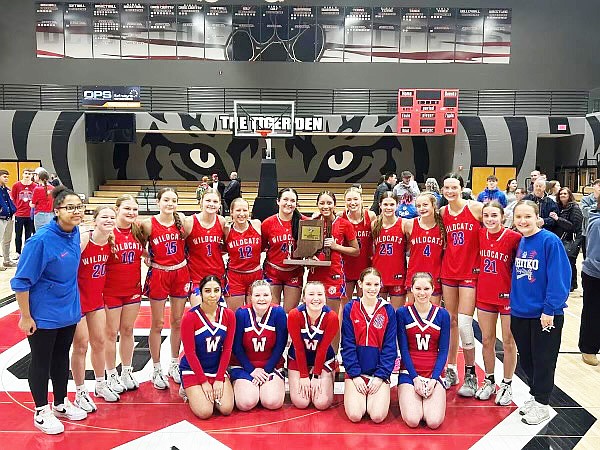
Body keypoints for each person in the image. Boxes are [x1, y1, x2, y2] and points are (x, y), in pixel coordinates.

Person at [11, 186, 88, 434]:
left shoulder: (74, 232)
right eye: (70, 207)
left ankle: (60, 403)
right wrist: (25, 316)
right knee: (41, 360)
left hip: (68, 309)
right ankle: (41, 411)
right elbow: (21, 281)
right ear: (56, 211)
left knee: (60, 356)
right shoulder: (41, 241)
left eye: (79, 207)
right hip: (43, 313)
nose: (76, 212)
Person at [511, 200, 570, 425]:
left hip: (544, 314)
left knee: (544, 360)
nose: (523, 221)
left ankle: (543, 404)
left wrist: (550, 309)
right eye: (519, 217)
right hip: (520, 312)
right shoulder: (521, 242)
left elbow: (559, 278)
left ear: (538, 217)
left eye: (527, 216)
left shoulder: (549, 241)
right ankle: (536, 398)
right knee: (527, 360)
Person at [140, 187, 191, 390]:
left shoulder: (183, 223)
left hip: (180, 272)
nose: (170, 204)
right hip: (159, 273)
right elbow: (137, 244)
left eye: (173, 200)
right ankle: (156, 368)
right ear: (158, 202)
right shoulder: (148, 224)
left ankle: (174, 363)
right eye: (166, 200)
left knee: (178, 321)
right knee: (158, 323)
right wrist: (146, 256)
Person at [72, 206, 119, 412]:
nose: (109, 220)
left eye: (112, 217)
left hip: (96, 300)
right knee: (81, 346)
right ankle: (80, 392)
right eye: (104, 217)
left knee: (99, 342)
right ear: (95, 220)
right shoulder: (83, 240)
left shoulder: (111, 242)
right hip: (77, 301)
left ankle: (100, 384)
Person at [440, 173, 483, 395]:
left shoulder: (475, 208)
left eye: (454, 187)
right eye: (446, 187)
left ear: (461, 188)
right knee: (452, 321)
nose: (450, 191)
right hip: (448, 271)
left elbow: (495, 226)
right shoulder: (442, 213)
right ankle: (450, 369)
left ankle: (470, 373)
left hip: (470, 272)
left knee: (466, 323)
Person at [474, 202, 521, 405]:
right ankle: (489, 380)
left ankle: (508, 383)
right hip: (485, 295)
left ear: (503, 217)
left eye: (494, 215)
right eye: (486, 216)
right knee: (487, 340)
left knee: (509, 342)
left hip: (509, 297)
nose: (490, 219)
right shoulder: (479, 234)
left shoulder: (514, 237)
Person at [341, 267, 396, 423]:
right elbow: (347, 344)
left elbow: (390, 348)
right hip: (356, 373)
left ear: (381, 285)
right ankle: (356, 386)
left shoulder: (388, 310)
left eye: (376, 285)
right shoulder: (350, 308)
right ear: (360, 284)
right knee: (355, 415)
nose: (372, 289)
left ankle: (378, 386)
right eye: (368, 284)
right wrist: (355, 375)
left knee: (377, 416)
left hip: (378, 373)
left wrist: (380, 376)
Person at [396, 272, 450, 429]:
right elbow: (404, 350)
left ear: (433, 289)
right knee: (413, 420)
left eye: (426, 288)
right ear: (411, 289)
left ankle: (433, 390)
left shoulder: (442, 314)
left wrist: (434, 379)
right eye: (418, 288)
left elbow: (444, 350)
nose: (422, 292)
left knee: (433, 422)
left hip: (434, 373)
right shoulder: (402, 313)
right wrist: (415, 378)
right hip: (409, 373)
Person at [308, 191, 359, 351]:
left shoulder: (344, 224)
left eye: (329, 203)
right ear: (317, 205)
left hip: (334, 274)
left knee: (332, 317)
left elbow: (356, 250)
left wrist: (337, 247)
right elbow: (304, 248)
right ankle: (314, 353)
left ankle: (333, 355)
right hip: (315, 275)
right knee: (313, 316)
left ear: (335, 205)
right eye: (322, 203)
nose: (325, 206)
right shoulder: (312, 222)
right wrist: (309, 258)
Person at [104, 194, 145, 392]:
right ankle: (110, 374)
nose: (131, 213)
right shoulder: (108, 232)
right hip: (110, 291)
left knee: (128, 331)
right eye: (127, 208)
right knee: (111, 334)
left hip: (133, 290)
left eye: (134, 209)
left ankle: (126, 370)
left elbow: (146, 252)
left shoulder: (138, 231)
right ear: (117, 209)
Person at [179, 275, 235, 419]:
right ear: (201, 293)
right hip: (193, 370)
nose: (212, 295)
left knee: (226, 409)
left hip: (216, 369)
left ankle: (203, 391)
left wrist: (219, 378)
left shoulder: (229, 315)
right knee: (205, 412)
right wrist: (203, 382)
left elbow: (227, 350)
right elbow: (190, 353)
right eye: (208, 291)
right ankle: (187, 389)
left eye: (216, 290)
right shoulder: (190, 318)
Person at [230, 280, 287, 411]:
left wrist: (266, 370)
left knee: (272, 402)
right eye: (257, 295)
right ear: (251, 297)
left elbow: (280, 346)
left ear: (271, 296)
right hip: (244, 366)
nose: (262, 299)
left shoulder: (278, 313)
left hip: (271, 366)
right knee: (246, 403)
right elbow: (236, 346)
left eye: (266, 295)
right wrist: (251, 370)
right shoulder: (241, 313)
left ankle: (265, 386)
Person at [287, 281, 339, 410]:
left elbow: (323, 348)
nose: (316, 298)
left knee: (322, 403)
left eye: (320, 294)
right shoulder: (294, 315)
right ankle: (303, 376)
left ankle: (331, 372)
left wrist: (316, 375)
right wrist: (304, 376)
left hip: (324, 358)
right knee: (301, 402)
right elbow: (298, 348)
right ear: (304, 298)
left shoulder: (331, 317)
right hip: (298, 358)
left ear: (325, 297)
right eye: (311, 294)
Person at [262, 188, 305, 312]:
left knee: (290, 314)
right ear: (278, 201)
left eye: (293, 201)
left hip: (294, 273)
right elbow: (260, 247)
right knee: (272, 313)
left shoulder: (304, 222)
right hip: (272, 272)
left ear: (296, 204)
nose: (289, 203)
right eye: (285, 199)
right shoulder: (268, 223)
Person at [185, 188, 226, 307]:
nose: (211, 204)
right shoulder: (190, 222)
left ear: (219, 204)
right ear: (201, 202)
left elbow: (226, 246)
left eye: (215, 201)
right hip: (196, 276)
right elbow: (179, 246)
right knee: (199, 314)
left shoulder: (222, 221)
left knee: (216, 316)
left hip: (217, 275)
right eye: (208, 200)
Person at [404, 192, 445, 305]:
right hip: (414, 274)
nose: (422, 208)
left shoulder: (442, 226)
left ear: (433, 205)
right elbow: (406, 246)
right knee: (412, 315)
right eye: (418, 206)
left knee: (432, 315)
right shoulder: (409, 224)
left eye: (425, 205)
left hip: (434, 275)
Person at [224, 198, 262, 311]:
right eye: (238, 210)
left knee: (255, 314)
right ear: (231, 212)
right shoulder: (226, 230)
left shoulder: (256, 224)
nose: (242, 214)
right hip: (235, 276)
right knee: (236, 315)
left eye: (245, 210)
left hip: (255, 274)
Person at [371, 192, 407, 309]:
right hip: (378, 274)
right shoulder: (374, 224)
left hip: (397, 274)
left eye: (392, 204)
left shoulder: (404, 224)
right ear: (380, 205)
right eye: (385, 204)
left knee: (396, 314)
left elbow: (409, 246)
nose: (388, 207)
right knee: (378, 314)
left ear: (397, 205)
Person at [341, 186, 376, 300]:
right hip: (347, 266)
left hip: (365, 265)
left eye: (355, 199)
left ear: (361, 200)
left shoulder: (370, 216)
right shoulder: (341, 217)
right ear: (345, 202)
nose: (353, 203)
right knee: (345, 303)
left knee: (364, 301)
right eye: (349, 200)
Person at [580, 192, 600, 366]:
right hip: (595, 275)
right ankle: (588, 348)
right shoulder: (597, 224)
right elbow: (593, 257)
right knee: (593, 313)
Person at [11, 168, 36, 259]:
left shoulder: (35, 186)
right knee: (18, 234)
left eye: (29, 173)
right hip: (19, 214)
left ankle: (27, 251)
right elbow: (13, 198)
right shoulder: (16, 185)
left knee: (28, 234)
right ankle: (18, 252)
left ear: (32, 175)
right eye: (26, 173)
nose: (27, 175)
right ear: (22, 174)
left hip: (30, 214)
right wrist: (15, 210)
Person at [0, 169, 17, 269]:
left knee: (7, 240)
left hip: (9, 217)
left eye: (7, 177)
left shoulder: (6, 189)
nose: (6, 178)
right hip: (1, 217)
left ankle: (6, 260)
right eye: (4, 176)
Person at [580, 179, 600, 259]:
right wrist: (597, 205)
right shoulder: (586, 199)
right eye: (599, 185)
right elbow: (585, 213)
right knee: (588, 257)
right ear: (593, 186)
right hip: (588, 233)